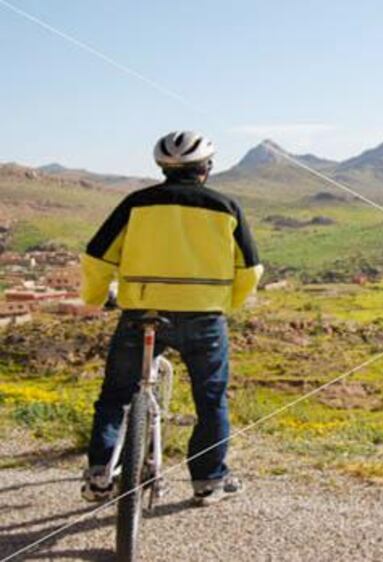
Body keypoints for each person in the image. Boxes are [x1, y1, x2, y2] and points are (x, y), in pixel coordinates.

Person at [79, 131, 263, 506]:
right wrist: (225, 303)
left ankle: (100, 473)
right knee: (210, 400)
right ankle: (209, 480)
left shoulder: (136, 203)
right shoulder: (226, 206)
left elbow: (96, 258)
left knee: (115, 395)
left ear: (162, 167)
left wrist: (97, 297)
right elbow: (250, 269)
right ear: (207, 168)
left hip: (141, 312)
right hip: (204, 318)